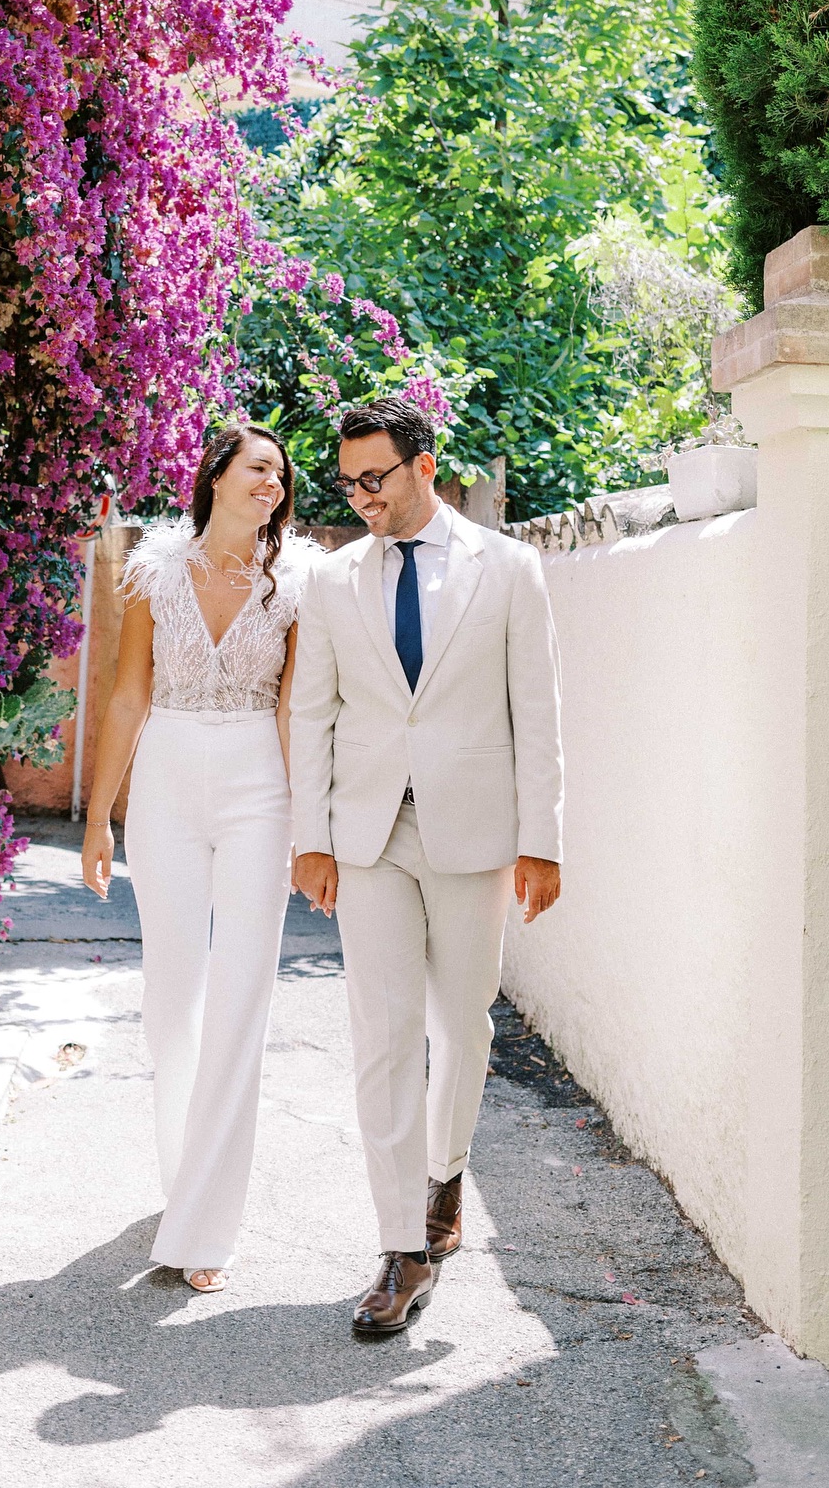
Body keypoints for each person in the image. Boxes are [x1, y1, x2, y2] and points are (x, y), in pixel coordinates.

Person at [291, 396, 564, 1337]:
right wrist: (310, 836)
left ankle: (446, 1172)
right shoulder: (331, 580)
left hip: (474, 830)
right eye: (348, 480)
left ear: (423, 464)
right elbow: (312, 712)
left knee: (463, 1025)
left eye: (377, 477)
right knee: (384, 1034)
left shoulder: (509, 568)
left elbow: (537, 707)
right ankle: (403, 1243)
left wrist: (544, 838)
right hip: (366, 833)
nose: (361, 496)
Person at [81, 424, 317, 1294]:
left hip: (261, 780)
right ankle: (185, 1176)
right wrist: (101, 815)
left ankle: (208, 1221)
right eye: (260, 466)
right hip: (169, 780)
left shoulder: (296, 583)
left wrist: (310, 826)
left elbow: (297, 709)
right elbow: (129, 691)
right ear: (216, 474)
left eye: (281, 475)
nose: (274, 483)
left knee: (243, 994)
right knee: (171, 996)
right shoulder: (154, 571)